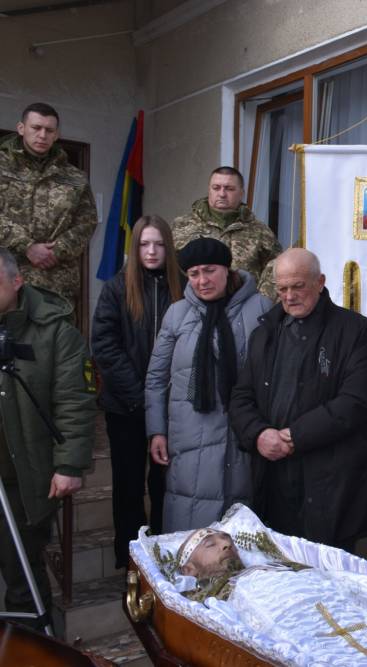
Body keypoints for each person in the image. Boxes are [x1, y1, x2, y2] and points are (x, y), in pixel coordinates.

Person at [228, 248, 367, 551]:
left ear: (319, 282)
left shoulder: (353, 330)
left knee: (327, 572)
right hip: (273, 480)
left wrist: (294, 436)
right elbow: (241, 397)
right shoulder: (264, 333)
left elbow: (356, 401)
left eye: (298, 286)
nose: (289, 296)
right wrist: (258, 434)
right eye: (282, 289)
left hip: (331, 484)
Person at [170, 526, 367, 664]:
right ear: (189, 569)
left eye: (227, 539)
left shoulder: (278, 565)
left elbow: (339, 583)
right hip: (293, 626)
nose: (226, 544)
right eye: (210, 545)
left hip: (341, 610)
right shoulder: (215, 601)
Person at [145, 238, 271, 533]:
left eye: (210, 271)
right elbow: (156, 378)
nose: (202, 281)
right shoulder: (177, 314)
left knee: (241, 530)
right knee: (190, 527)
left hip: (244, 433)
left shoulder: (260, 308)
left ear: (227, 269)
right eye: (194, 274)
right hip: (189, 434)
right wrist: (156, 431)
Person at [0, 248, 94, 628]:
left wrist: (69, 465)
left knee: (21, 569)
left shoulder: (55, 332)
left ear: (17, 281)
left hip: (24, 475)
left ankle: (33, 643)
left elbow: (75, 401)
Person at [91, 215, 184, 567]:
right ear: (136, 248)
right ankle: (130, 563)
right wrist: (142, 397)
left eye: (158, 244)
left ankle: (163, 560)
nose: (152, 251)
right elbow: (105, 346)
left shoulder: (183, 287)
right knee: (128, 487)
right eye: (144, 244)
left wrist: (164, 398)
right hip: (125, 406)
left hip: (172, 409)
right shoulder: (117, 288)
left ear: (168, 247)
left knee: (164, 487)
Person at [0, 102, 98, 303]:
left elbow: (87, 222)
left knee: (56, 325)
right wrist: (27, 246)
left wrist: (56, 250)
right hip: (6, 281)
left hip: (56, 284)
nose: (42, 135)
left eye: (49, 130)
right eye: (36, 128)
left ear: (56, 134)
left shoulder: (74, 177)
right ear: (21, 128)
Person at [171, 167, 281, 297]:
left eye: (229, 189)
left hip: (245, 305)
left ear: (241, 193)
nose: (222, 194)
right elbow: (168, 267)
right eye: (216, 188)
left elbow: (278, 269)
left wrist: (261, 301)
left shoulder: (260, 231)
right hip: (194, 303)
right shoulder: (181, 226)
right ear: (209, 190)